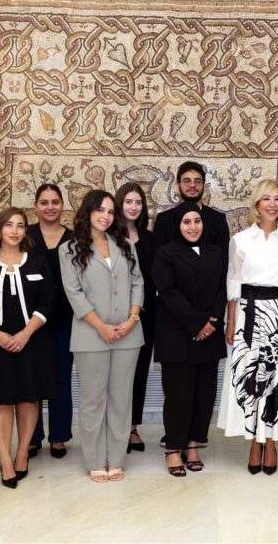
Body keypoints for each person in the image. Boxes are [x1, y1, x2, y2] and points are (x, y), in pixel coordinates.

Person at [217, 179, 278, 475]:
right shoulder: (241, 240)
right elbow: (233, 280)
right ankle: (255, 442)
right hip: (248, 314)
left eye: (277, 198)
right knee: (251, 376)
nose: (272, 204)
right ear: (256, 203)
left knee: (276, 378)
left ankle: (272, 441)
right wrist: (231, 321)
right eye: (266, 198)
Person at [0, 207, 56, 489]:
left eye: (20, 225)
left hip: (32, 341)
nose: (15, 231)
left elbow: (48, 301)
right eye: (9, 225)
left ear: (25, 230)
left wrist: (26, 333)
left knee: (28, 399)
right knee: (0, 400)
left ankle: (22, 453)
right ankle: (5, 459)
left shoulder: (38, 262)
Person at [59, 190, 144, 482]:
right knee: (93, 399)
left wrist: (132, 320)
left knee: (121, 398)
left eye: (110, 211)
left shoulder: (126, 246)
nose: (106, 216)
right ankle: (96, 460)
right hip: (90, 335)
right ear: (88, 212)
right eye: (100, 210)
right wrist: (101, 326)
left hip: (128, 335)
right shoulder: (69, 249)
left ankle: (116, 459)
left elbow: (138, 284)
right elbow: (74, 293)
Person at [152, 202, 227, 476]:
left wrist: (212, 322)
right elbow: (168, 293)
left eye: (197, 221)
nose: (193, 227)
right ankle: (174, 448)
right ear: (178, 225)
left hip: (209, 333)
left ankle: (193, 444)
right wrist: (197, 324)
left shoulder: (216, 252)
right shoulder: (164, 253)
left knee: (203, 394)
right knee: (178, 395)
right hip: (176, 333)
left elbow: (222, 289)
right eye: (186, 222)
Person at [27, 184, 74, 460]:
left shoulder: (73, 238)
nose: (50, 207)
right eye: (44, 202)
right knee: (32, 378)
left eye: (55, 202)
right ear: (36, 206)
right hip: (29, 319)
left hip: (65, 318)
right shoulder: (25, 235)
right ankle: (32, 438)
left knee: (61, 378)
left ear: (62, 205)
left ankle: (59, 436)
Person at [116, 182, 155, 453]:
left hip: (146, 315)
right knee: (118, 375)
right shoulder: (109, 237)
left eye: (138, 202)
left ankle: (132, 428)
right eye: (128, 201)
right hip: (117, 316)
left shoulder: (150, 239)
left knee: (139, 372)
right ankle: (116, 428)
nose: (133, 207)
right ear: (120, 204)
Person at [152, 161, 230, 252]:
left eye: (197, 181)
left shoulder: (218, 219)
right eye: (187, 181)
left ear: (204, 185)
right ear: (178, 185)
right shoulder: (163, 219)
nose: (192, 185)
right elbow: (158, 257)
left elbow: (223, 257)